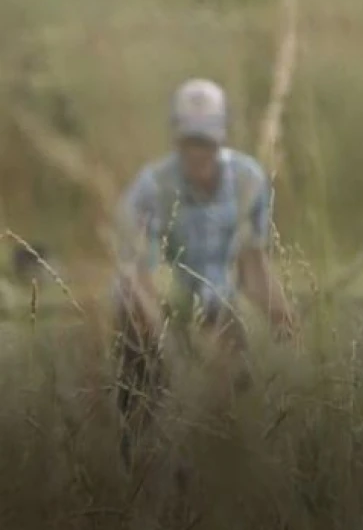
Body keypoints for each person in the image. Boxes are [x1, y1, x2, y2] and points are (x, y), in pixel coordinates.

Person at [112, 78, 296, 459]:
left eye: (207, 142)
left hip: (217, 303)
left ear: (222, 138)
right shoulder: (151, 188)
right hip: (154, 307)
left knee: (229, 395)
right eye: (191, 143)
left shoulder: (248, 181)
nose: (200, 153)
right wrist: (172, 347)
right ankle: (139, 455)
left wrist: (285, 321)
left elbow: (252, 266)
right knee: (144, 376)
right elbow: (140, 277)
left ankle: (215, 460)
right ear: (178, 140)